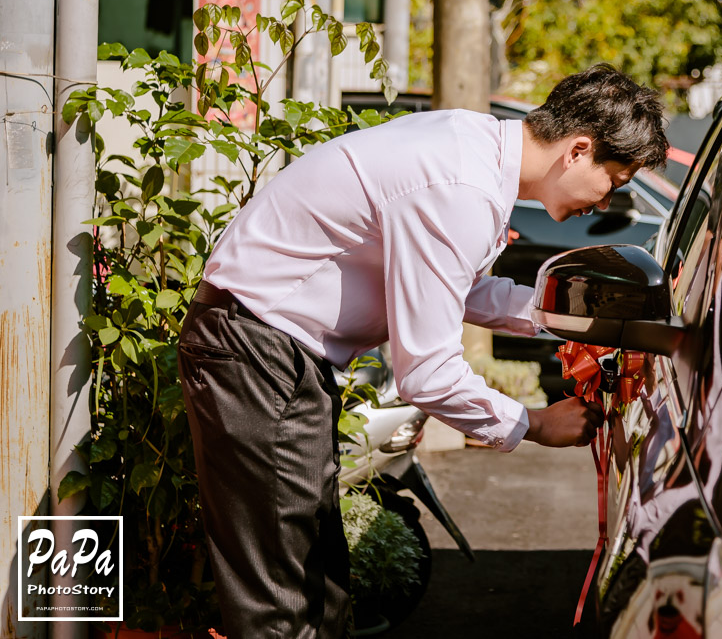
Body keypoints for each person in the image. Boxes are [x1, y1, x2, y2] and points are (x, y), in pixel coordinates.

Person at [177, 64, 669, 637]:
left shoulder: (474, 148)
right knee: (284, 605)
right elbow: (429, 374)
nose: (605, 202)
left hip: (268, 351)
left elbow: (456, 286)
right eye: (616, 179)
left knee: (319, 586)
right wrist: (533, 423)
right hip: (257, 352)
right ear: (579, 151)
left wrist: (569, 317)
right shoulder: (462, 188)